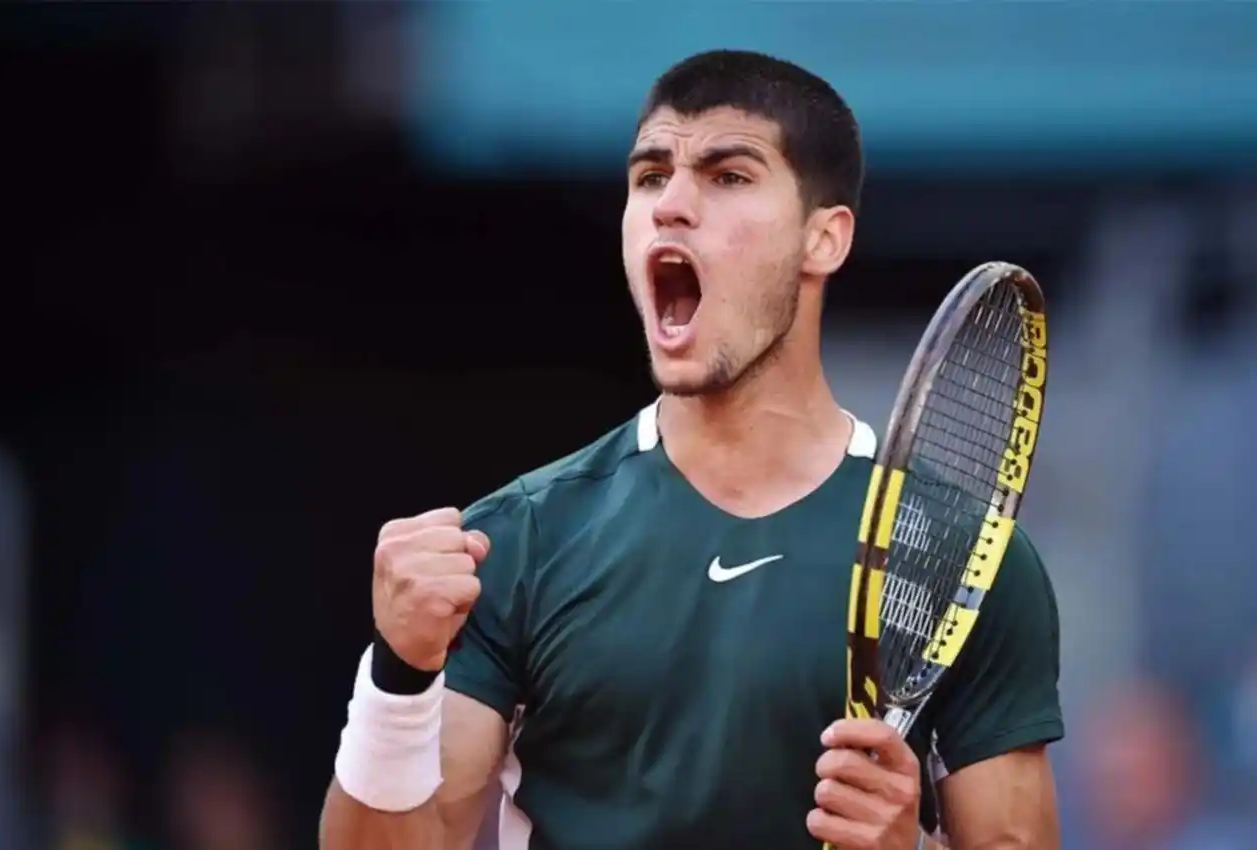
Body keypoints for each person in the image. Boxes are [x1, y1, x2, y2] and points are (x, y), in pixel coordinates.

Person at [319, 49, 1063, 850]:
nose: (672, 204)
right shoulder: (516, 541)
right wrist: (398, 675)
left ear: (825, 238)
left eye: (728, 176)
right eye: (649, 177)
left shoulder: (964, 560)